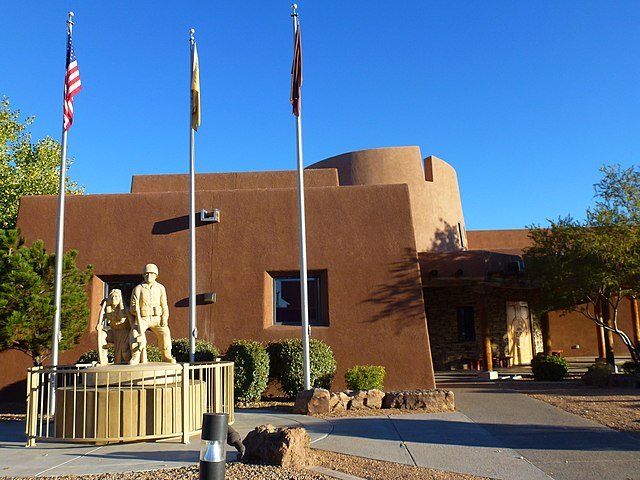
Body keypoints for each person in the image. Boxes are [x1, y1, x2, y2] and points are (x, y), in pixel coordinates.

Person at [129, 263, 176, 364]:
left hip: (157, 318)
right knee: (135, 331)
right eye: (146, 274)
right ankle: (135, 355)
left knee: (165, 332)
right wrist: (134, 309)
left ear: (156, 275)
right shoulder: (138, 288)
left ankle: (166, 355)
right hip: (143, 318)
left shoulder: (160, 288)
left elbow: (164, 305)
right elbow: (132, 306)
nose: (148, 276)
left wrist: (165, 317)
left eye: (151, 274)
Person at [96, 289, 132, 365]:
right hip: (113, 333)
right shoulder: (107, 310)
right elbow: (100, 322)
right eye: (112, 297)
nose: (114, 299)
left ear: (120, 299)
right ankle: (103, 359)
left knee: (124, 355)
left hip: (125, 334)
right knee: (102, 335)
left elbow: (133, 325)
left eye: (116, 297)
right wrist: (99, 325)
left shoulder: (126, 310)